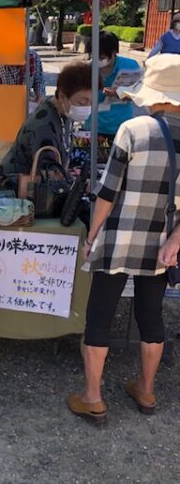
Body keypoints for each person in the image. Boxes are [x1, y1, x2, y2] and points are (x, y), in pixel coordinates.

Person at [67, 54, 180, 424]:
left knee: (100, 315)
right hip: (163, 242)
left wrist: (93, 235)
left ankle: (93, 397)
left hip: (118, 238)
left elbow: (107, 193)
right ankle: (146, 391)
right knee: (151, 316)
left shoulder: (134, 131)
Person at [0, 61, 95, 187]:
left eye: (91, 102)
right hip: (16, 194)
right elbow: (50, 174)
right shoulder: (44, 126)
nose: (87, 107)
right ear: (62, 96)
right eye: (82, 102)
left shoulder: (63, 114)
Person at [84, 31, 142, 136]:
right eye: (93, 56)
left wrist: (119, 93)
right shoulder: (87, 69)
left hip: (121, 126)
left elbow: (139, 94)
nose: (97, 60)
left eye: (101, 57)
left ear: (114, 52)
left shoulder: (130, 66)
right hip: (94, 126)